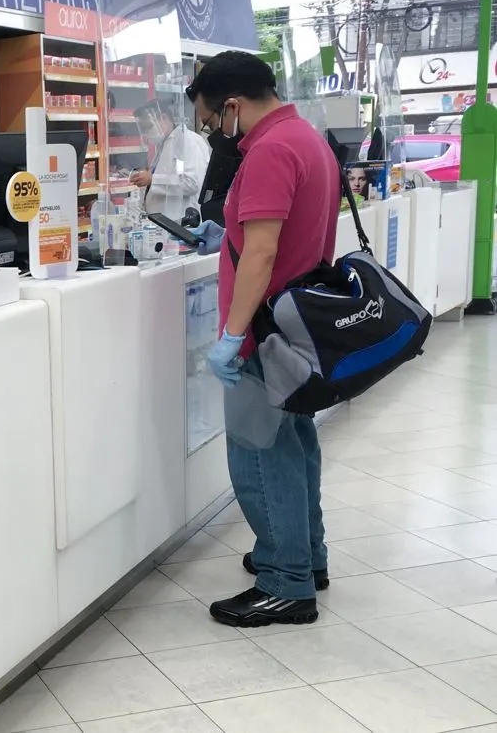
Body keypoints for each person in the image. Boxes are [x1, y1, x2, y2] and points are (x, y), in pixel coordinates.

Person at [186, 51, 340, 628]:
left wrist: (231, 337)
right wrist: (226, 231)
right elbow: (276, 233)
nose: (214, 134)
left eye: (210, 121)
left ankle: (285, 581)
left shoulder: (271, 149)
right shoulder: (304, 137)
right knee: (296, 446)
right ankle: (307, 555)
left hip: (263, 334)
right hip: (295, 331)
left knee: (258, 454)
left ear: (232, 106)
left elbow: (265, 252)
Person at [129, 99, 210, 217]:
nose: (145, 133)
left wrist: (153, 179)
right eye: (142, 129)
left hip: (181, 221)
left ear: (164, 118)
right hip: (163, 223)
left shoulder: (186, 141)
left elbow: (191, 184)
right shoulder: (163, 144)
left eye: (148, 126)